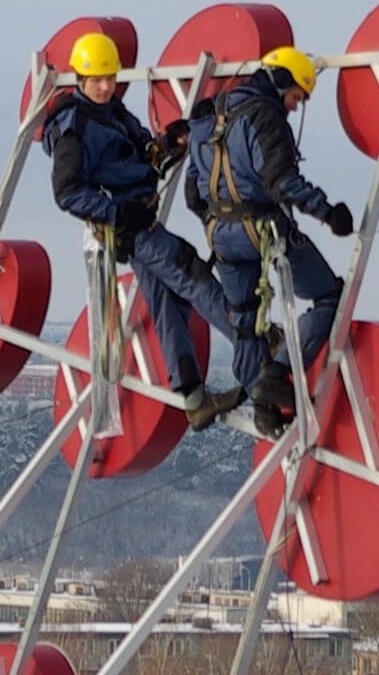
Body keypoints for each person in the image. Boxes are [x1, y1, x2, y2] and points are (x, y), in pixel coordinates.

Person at [42, 32, 242, 431]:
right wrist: (118, 212)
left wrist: (168, 143)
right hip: (130, 229)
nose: (104, 87)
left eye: (109, 78)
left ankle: (194, 397)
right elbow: (66, 193)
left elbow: (139, 155)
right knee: (191, 273)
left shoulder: (112, 112)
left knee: (167, 302)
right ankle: (256, 349)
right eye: (96, 80)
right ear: (80, 79)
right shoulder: (74, 127)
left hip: (137, 218)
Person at [183, 46, 353, 437]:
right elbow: (282, 183)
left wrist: (218, 220)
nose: (294, 106)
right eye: (296, 96)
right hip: (263, 231)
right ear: (280, 81)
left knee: (246, 321)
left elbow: (194, 194)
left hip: (220, 237)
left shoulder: (207, 117)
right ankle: (275, 378)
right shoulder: (266, 117)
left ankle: (262, 407)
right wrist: (329, 213)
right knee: (329, 297)